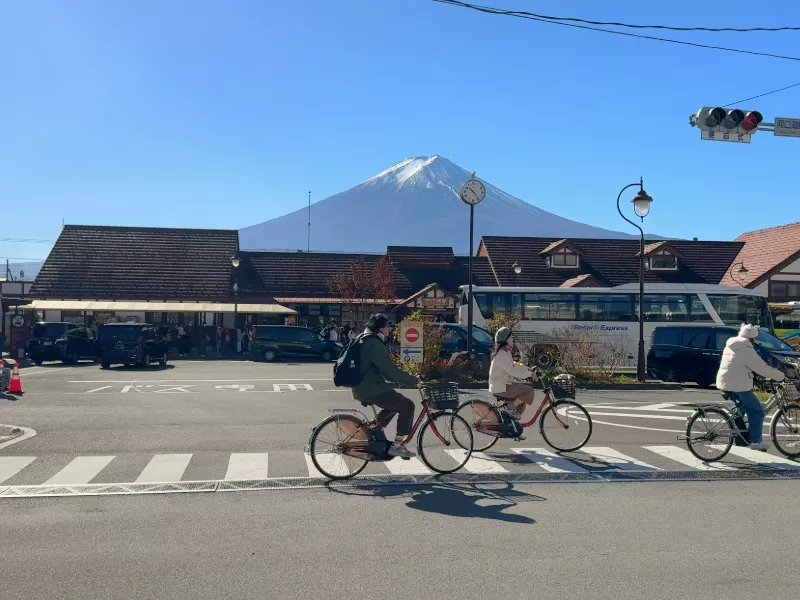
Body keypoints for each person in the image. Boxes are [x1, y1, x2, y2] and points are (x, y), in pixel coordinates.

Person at [352, 313, 420, 458]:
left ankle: (372, 429)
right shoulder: (374, 343)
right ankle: (397, 446)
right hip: (371, 388)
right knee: (407, 405)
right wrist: (414, 380)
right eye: (388, 325)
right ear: (381, 328)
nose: (389, 328)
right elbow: (389, 370)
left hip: (363, 386)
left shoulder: (363, 339)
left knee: (394, 404)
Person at [716, 323, 786, 451]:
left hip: (726, 382)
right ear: (751, 338)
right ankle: (756, 441)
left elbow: (739, 365)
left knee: (739, 410)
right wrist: (781, 376)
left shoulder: (732, 345)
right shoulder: (746, 348)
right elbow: (762, 368)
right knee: (757, 412)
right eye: (755, 339)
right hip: (738, 385)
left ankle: (739, 437)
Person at [489, 327, 537, 423]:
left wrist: (527, 369)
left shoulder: (505, 352)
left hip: (503, 385)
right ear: (506, 340)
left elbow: (514, 365)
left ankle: (514, 428)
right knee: (528, 390)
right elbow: (513, 371)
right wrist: (529, 374)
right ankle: (510, 407)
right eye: (510, 338)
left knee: (521, 401)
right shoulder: (502, 355)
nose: (512, 340)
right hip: (501, 387)